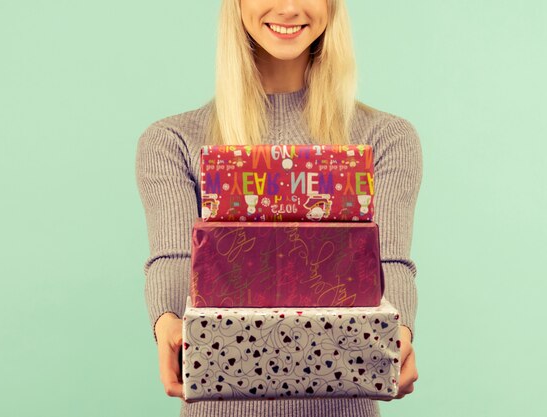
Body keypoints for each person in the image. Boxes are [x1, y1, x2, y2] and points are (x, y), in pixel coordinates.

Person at [135, 1, 422, 416]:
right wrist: (167, 323)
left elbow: (388, 262)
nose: (288, 7)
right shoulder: (173, 141)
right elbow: (177, 257)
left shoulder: (386, 138)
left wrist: (399, 331)